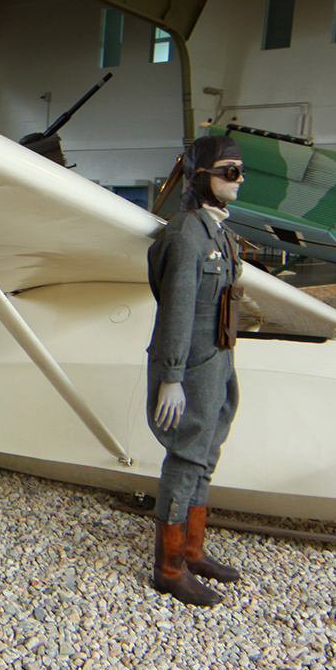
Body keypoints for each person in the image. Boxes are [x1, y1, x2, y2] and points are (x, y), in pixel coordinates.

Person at [145, 135, 245, 607]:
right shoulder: (186, 235)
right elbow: (176, 310)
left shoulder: (218, 233)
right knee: (185, 458)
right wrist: (170, 377)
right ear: (201, 176)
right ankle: (168, 568)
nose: (238, 180)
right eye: (229, 171)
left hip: (218, 359)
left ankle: (191, 549)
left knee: (206, 453)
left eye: (240, 171)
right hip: (191, 366)